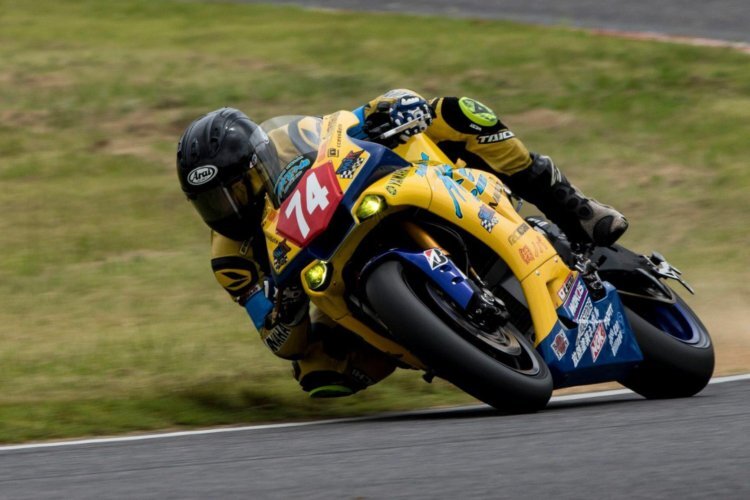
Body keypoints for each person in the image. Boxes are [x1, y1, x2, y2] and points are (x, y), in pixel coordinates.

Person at [176, 90, 628, 397]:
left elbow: (347, 122)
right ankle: (441, 339)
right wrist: (289, 303)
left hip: (380, 192)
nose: (230, 209)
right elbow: (280, 341)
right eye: (212, 203)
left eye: (237, 189)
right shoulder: (230, 260)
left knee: (458, 111)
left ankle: (573, 206)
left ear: (261, 161)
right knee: (318, 372)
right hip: (329, 276)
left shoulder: (286, 140)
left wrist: (394, 107)